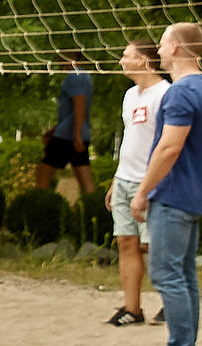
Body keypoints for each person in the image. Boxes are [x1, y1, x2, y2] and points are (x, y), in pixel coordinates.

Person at [132, 23, 202, 346]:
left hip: (174, 196)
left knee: (166, 275)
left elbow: (170, 147)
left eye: (163, 43)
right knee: (183, 276)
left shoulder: (182, 92)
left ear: (175, 49)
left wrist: (142, 192)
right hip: (193, 196)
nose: (158, 48)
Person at [105, 38, 167, 328]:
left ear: (144, 60)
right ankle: (132, 309)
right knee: (125, 241)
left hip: (151, 182)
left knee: (154, 245)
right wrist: (115, 181)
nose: (121, 61)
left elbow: (168, 145)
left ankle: (171, 303)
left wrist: (151, 185)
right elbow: (131, 141)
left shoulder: (165, 94)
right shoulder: (130, 95)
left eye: (126, 55)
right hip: (125, 179)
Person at [37, 50, 96, 196]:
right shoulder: (85, 76)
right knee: (86, 181)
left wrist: (76, 135)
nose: (58, 59)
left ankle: (41, 205)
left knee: (43, 175)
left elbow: (79, 104)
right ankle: (93, 207)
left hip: (67, 136)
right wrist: (55, 129)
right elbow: (74, 111)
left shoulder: (73, 77)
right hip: (79, 133)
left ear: (73, 57)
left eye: (61, 56)